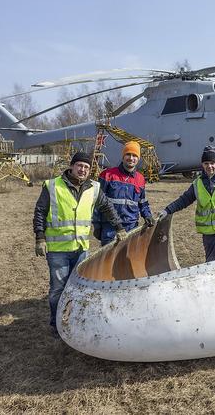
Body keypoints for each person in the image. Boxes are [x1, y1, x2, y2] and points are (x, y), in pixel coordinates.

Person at [33, 152, 125, 337]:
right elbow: (40, 212)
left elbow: (107, 207)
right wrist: (40, 238)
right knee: (58, 289)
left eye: (86, 167)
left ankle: (73, 320)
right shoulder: (52, 186)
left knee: (77, 287)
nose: (82, 170)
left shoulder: (94, 188)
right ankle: (56, 324)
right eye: (79, 166)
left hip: (81, 248)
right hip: (58, 250)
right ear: (72, 166)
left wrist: (119, 227)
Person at [157, 146, 215, 261]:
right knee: (210, 265)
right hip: (209, 234)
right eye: (206, 163)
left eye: (212, 163)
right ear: (202, 165)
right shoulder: (197, 184)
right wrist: (167, 210)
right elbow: (184, 200)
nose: (209, 166)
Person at [93, 141, 155, 246]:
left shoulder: (140, 179)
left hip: (131, 227)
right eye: (128, 154)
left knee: (126, 259)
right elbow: (97, 203)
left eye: (135, 155)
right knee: (109, 261)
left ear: (138, 159)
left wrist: (147, 215)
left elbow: (142, 202)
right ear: (123, 156)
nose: (131, 158)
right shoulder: (107, 175)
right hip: (110, 227)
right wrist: (97, 225)